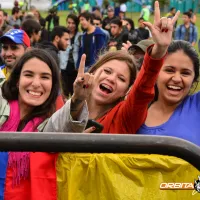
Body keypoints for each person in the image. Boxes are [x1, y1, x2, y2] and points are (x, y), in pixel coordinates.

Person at [0, 48, 91, 199]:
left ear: (53, 85)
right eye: (28, 75)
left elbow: (64, 124)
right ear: (17, 80)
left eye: (45, 77)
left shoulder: (50, 122)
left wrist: (78, 99)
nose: (36, 83)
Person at [84, 1, 179, 133]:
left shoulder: (125, 117)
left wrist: (159, 50)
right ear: (93, 72)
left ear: (127, 90)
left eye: (122, 79)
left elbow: (142, 91)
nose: (111, 79)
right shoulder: (70, 107)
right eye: (107, 71)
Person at [137, 40, 200, 146]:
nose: (176, 79)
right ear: (156, 73)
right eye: (169, 70)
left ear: (194, 79)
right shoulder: (136, 109)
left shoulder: (197, 104)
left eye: (185, 73)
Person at [59, 14, 81, 97]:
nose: (70, 25)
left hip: (75, 66)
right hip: (64, 65)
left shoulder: (80, 36)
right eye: (69, 23)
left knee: (74, 91)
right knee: (64, 90)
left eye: (73, 23)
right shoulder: (63, 35)